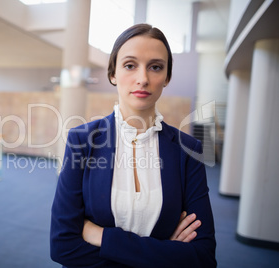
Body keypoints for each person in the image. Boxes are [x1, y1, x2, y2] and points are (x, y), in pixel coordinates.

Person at [50, 23, 216, 267]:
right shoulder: (82, 141)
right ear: (113, 74)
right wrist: (165, 253)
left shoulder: (187, 150)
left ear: (167, 77)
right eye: (130, 65)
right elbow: (63, 247)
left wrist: (102, 236)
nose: (143, 79)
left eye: (155, 67)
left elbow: (202, 257)